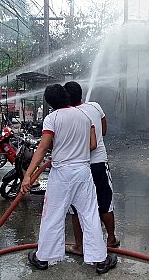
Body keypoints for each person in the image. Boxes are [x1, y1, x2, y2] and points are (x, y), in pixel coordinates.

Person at [21, 84, 117, 274]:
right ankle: (100, 259)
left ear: (50, 102)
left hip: (62, 174)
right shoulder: (84, 116)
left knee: (53, 214)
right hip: (83, 172)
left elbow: (42, 148)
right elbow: (92, 143)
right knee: (89, 214)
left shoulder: (52, 118)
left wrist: (28, 175)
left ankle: (43, 258)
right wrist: (74, 151)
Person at [64, 81, 119, 256]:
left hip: (78, 166)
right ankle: (111, 239)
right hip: (99, 164)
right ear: (81, 93)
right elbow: (103, 130)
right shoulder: (95, 107)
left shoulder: (67, 115)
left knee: (76, 207)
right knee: (105, 202)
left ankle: (80, 246)